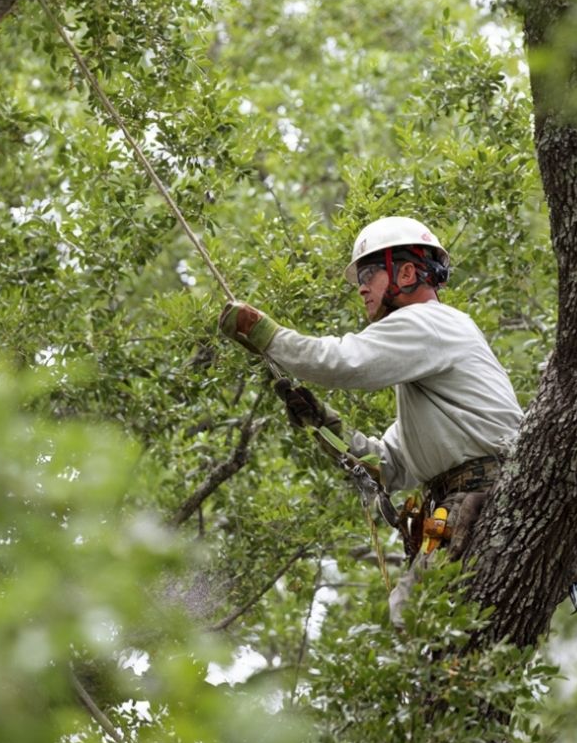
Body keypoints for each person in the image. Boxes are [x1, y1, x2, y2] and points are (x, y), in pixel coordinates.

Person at [218, 216, 525, 626]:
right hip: (471, 496)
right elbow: (390, 466)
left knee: (413, 616)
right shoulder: (430, 367)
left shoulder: (429, 322)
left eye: (368, 275)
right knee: (419, 621)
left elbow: (344, 361)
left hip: (480, 496)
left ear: (407, 273)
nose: (361, 288)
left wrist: (266, 335)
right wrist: (326, 425)